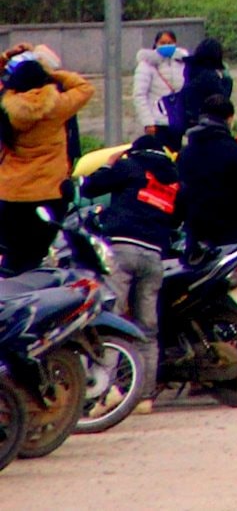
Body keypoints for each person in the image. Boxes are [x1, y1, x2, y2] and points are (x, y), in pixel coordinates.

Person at [79, 124, 181, 405]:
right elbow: (177, 218)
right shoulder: (173, 178)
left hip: (122, 250)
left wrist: (109, 166)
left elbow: (89, 188)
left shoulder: (130, 166)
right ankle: (144, 397)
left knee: (112, 321)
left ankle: (102, 393)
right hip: (154, 257)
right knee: (147, 328)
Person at [0, 46, 93, 271]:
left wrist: (5, 58)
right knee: (36, 257)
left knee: (12, 255)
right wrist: (50, 72)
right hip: (49, 193)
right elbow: (84, 87)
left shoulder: (5, 108)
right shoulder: (58, 107)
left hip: (11, 193)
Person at [176, 92, 237, 249]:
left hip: (196, 239)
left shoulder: (185, 153)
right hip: (232, 237)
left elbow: (178, 194)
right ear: (230, 119)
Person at [168, 34, 232, 137]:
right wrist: (227, 80)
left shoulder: (191, 70)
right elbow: (222, 100)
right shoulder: (209, 77)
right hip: (205, 123)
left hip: (187, 120)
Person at [133, 30, 186, 133]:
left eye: (170, 43)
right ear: (156, 44)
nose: (166, 46)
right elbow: (139, 95)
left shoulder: (181, 63)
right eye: (162, 43)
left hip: (177, 120)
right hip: (157, 122)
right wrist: (148, 122)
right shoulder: (146, 65)